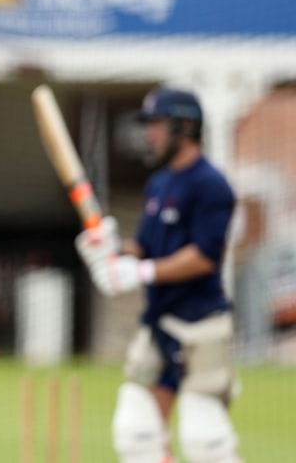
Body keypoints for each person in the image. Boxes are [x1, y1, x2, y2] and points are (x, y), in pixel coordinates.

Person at [75, 88, 240, 463]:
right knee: (136, 432)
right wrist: (110, 250)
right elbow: (144, 248)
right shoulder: (160, 184)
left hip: (201, 323)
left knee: (204, 437)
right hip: (159, 325)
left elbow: (204, 257)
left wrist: (141, 271)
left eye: (157, 124)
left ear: (185, 126)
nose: (149, 134)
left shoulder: (211, 184)